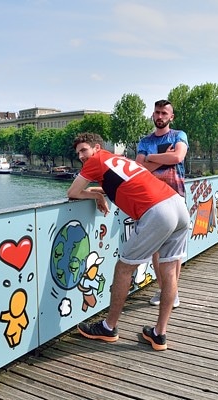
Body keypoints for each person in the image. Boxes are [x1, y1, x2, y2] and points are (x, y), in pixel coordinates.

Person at [67, 133, 189, 351]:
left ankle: (108, 327)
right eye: (78, 154)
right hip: (177, 204)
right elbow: (117, 186)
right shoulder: (118, 160)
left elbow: (73, 192)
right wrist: (98, 192)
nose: (81, 156)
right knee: (169, 269)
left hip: (157, 212)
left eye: (84, 150)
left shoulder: (95, 161)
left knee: (124, 268)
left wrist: (94, 196)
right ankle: (159, 334)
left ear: (96, 148)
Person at [136, 99, 188, 309]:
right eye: (157, 113)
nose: (160, 117)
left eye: (164, 113)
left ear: (171, 117)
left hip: (176, 196)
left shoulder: (178, 135)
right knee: (157, 250)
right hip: (152, 200)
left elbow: (177, 156)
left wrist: (153, 158)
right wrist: (164, 157)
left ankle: (172, 293)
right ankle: (164, 289)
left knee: (174, 252)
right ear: (153, 115)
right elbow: (139, 168)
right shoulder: (144, 140)